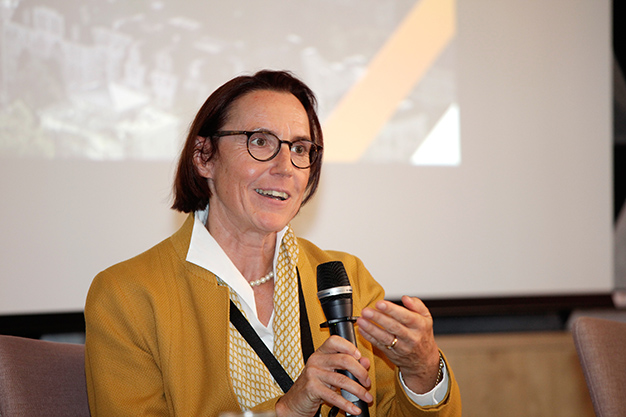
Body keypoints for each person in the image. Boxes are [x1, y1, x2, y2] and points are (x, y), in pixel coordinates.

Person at [84, 69, 462, 417]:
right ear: (204, 156)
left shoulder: (345, 278)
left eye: (299, 148)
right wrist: (285, 410)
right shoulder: (128, 294)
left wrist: (423, 372)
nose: (285, 168)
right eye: (261, 142)